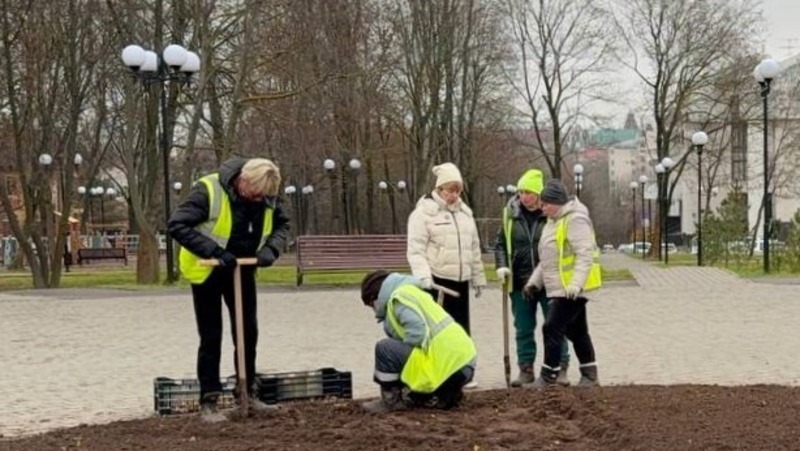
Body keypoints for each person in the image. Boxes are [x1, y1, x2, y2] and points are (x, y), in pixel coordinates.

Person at [168, 157, 290, 422]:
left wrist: (271, 249)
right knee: (211, 335)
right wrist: (215, 251)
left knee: (248, 331)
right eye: (254, 194)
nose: (258, 200)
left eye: (263, 196)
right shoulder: (208, 191)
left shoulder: (266, 195)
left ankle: (247, 392)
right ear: (243, 181)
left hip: (242, 268)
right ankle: (209, 400)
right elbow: (177, 225)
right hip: (207, 268)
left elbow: (282, 225)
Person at [406, 162, 486, 388]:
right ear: (439, 189)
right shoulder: (423, 214)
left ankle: (463, 373)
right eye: (449, 190)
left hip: (460, 281)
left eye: (457, 190)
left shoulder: (465, 214)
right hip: (437, 281)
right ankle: (440, 373)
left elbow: (474, 247)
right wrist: (423, 277)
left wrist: (478, 277)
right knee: (439, 331)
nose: (453, 195)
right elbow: (416, 250)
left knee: (461, 329)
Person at [359, 270, 477, 413]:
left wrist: (402, 364)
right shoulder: (413, 292)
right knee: (413, 384)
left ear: (375, 297)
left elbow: (417, 333)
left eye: (371, 305)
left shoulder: (399, 299)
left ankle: (391, 401)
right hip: (464, 364)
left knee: (385, 348)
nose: (374, 311)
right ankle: (445, 395)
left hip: (444, 367)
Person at [494, 169, 570, 387]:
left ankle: (559, 368)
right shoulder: (511, 214)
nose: (523, 196)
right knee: (524, 327)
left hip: (550, 282)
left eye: (528, 192)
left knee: (555, 326)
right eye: (520, 192)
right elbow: (500, 244)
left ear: (538, 194)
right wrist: (501, 266)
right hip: (520, 281)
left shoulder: (552, 214)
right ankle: (526, 369)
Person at [524, 179, 601, 388]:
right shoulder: (552, 222)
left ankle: (549, 376)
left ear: (558, 202)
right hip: (559, 288)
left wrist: (576, 285)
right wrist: (534, 283)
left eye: (546, 203)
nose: (543, 207)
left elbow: (584, 255)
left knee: (551, 328)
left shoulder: (575, 220)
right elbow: (548, 259)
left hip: (571, 289)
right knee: (577, 331)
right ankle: (590, 374)